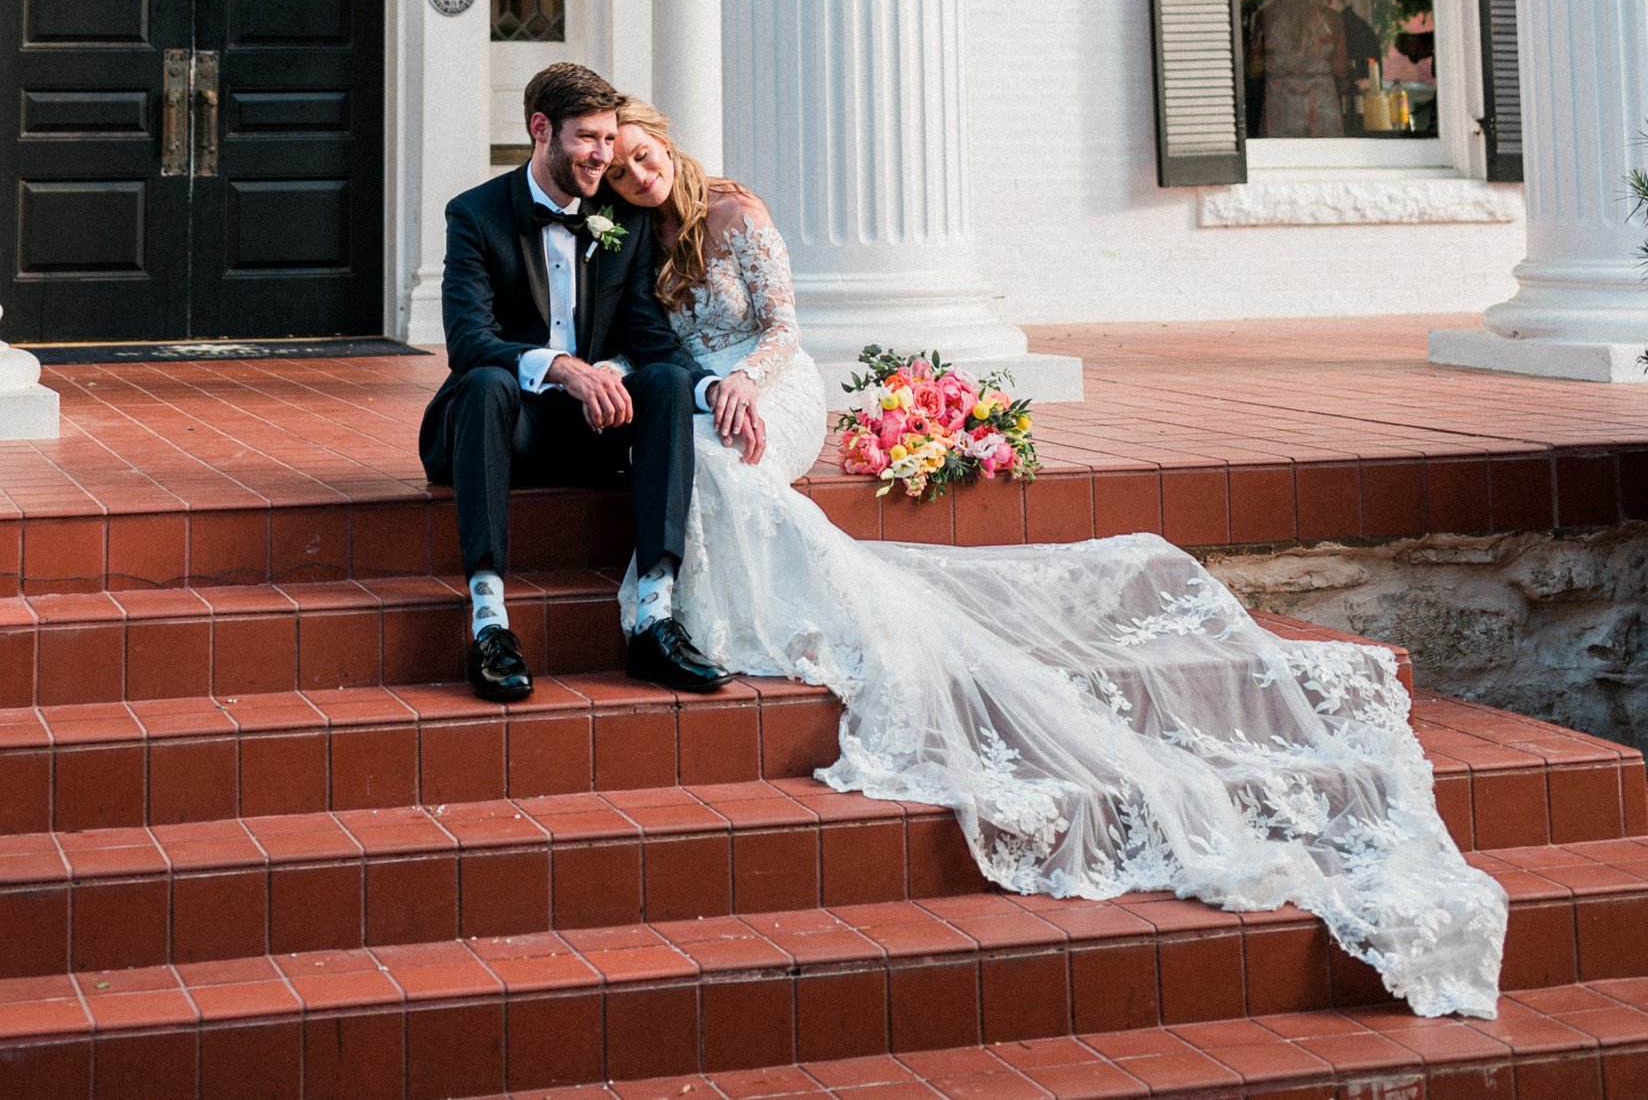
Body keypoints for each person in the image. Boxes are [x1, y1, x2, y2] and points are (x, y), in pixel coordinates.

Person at [601, 94, 1506, 1025]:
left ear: (667, 141)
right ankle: (714, 604)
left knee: (732, 467)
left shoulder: (737, 214)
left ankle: (727, 603)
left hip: (776, 386)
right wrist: (707, 387)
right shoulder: (638, 240)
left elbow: (787, 327)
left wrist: (746, 383)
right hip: (713, 393)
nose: (638, 172)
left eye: (644, 153)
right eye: (622, 165)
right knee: (703, 457)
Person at [417, 59, 760, 704]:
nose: (603, 156)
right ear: (541, 130)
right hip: (502, 427)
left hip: (592, 431)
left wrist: (711, 387)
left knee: (661, 380)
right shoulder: (475, 215)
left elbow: (647, 336)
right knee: (487, 381)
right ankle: (490, 624)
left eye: (610, 139)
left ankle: (654, 622)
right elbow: (468, 341)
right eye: (588, 139)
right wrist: (562, 366)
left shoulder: (618, 220)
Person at [1248, 0, 1345, 135]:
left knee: (1282, 162)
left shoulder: (1265, 18)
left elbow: (1253, 69)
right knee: (1325, 162)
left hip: (1281, 107)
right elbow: (1339, 68)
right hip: (1321, 107)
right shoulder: (1331, 18)